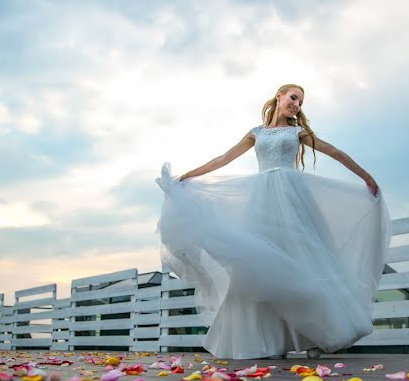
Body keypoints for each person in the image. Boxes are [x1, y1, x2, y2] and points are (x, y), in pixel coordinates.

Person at [155, 83, 391, 360]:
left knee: (304, 259)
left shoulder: (298, 132)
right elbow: (223, 159)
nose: (297, 104)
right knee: (258, 264)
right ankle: (265, 341)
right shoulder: (255, 133)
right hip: (262, 199)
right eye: (293, 97)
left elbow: (335, 152)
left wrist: (366, 177)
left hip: (292, 198)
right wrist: (188, 176)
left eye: (301, 102)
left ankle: (320, 335)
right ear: (278, 96)